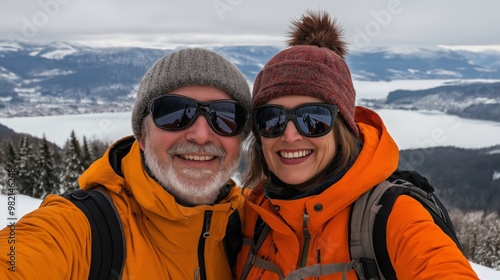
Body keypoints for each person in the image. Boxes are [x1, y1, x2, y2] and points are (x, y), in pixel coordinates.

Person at [236, 11, 479, 279]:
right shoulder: (253, 216)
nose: (290, 135)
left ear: (343, 128)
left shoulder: (391, 216)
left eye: (313, 119)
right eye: (272, 119)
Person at [0, 48, 253, 279]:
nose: (200, 135)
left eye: (225, 117)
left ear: (240, 137)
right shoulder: (85, 229)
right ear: (142, 136)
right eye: (175, 112)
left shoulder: (254, 221)